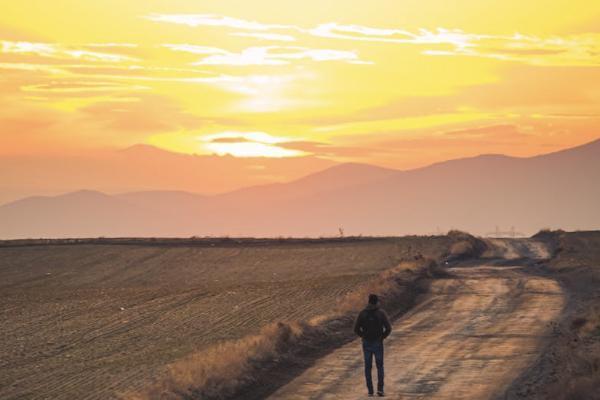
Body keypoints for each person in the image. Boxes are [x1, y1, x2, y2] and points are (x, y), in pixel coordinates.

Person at [354, 294, 392, 397]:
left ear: (368, 301)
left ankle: (370, 391)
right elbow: (388, 328)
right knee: (380, 366)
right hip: (378, 342)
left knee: (368, 367)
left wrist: (363, 336)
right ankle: (380, 390)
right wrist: (382, 337)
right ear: (377, 302)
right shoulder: (381, 313)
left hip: (366, 343)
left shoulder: (362, 313)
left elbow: (356, 329)